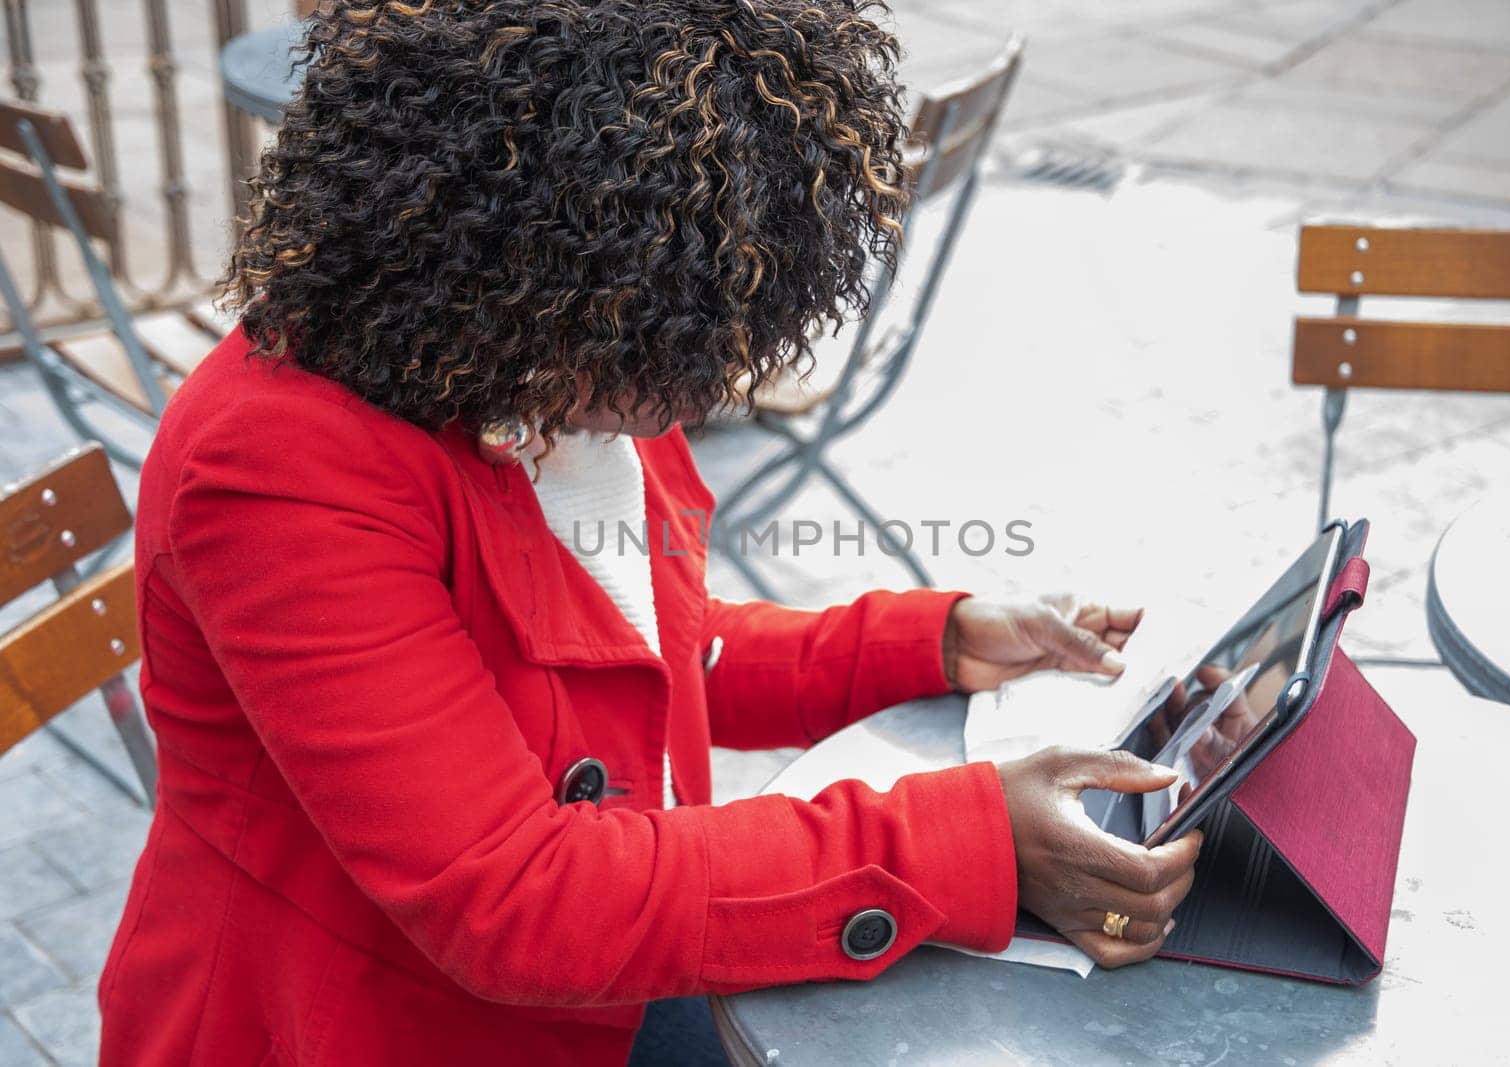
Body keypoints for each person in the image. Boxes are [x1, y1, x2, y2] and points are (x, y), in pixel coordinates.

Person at [98, 1, 1201, 1063]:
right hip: (356, 1020)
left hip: (596, 980)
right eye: (687, 344)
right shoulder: (278, 467)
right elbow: (512, 896)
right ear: (519, 266)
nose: (703, 389)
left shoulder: (573, 364)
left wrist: (932, 642)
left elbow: (651, 649)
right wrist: (963, 840)